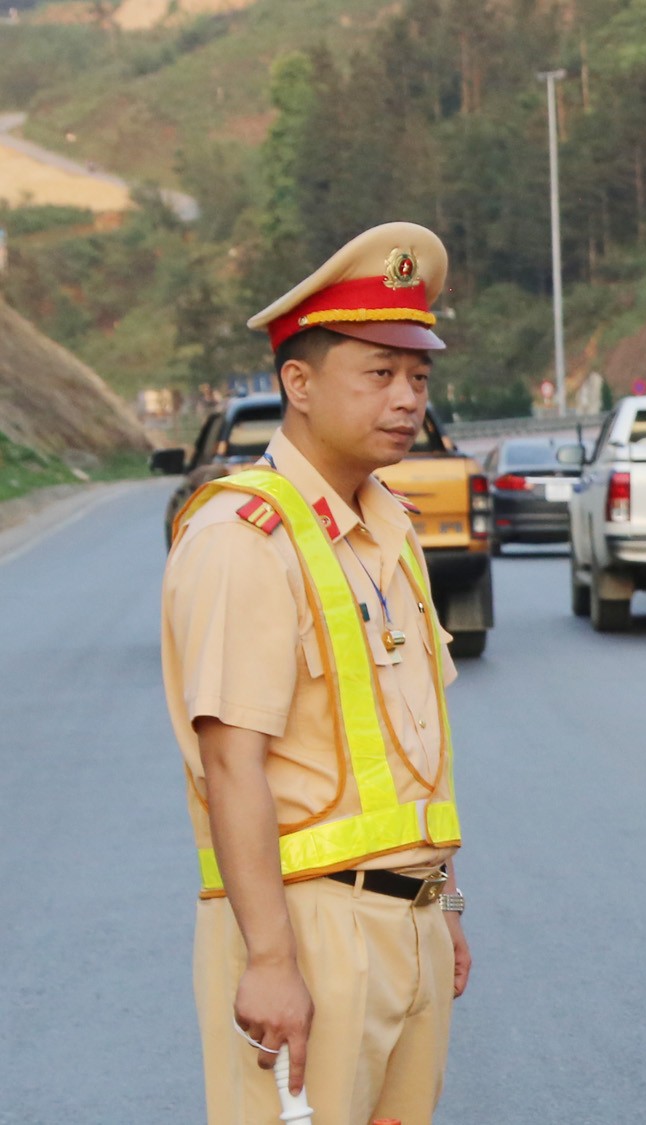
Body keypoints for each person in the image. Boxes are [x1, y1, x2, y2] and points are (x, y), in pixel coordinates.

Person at [161, 222, 471, 1125]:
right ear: (297, 383)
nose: (406, 398)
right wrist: (268, 959)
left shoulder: (390, 528)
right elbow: (232, 762)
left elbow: (413, 747)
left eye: (418, 376)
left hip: (403, 919)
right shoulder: (242, 539)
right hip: (306, 925)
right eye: (378, 373)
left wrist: (441, 898)